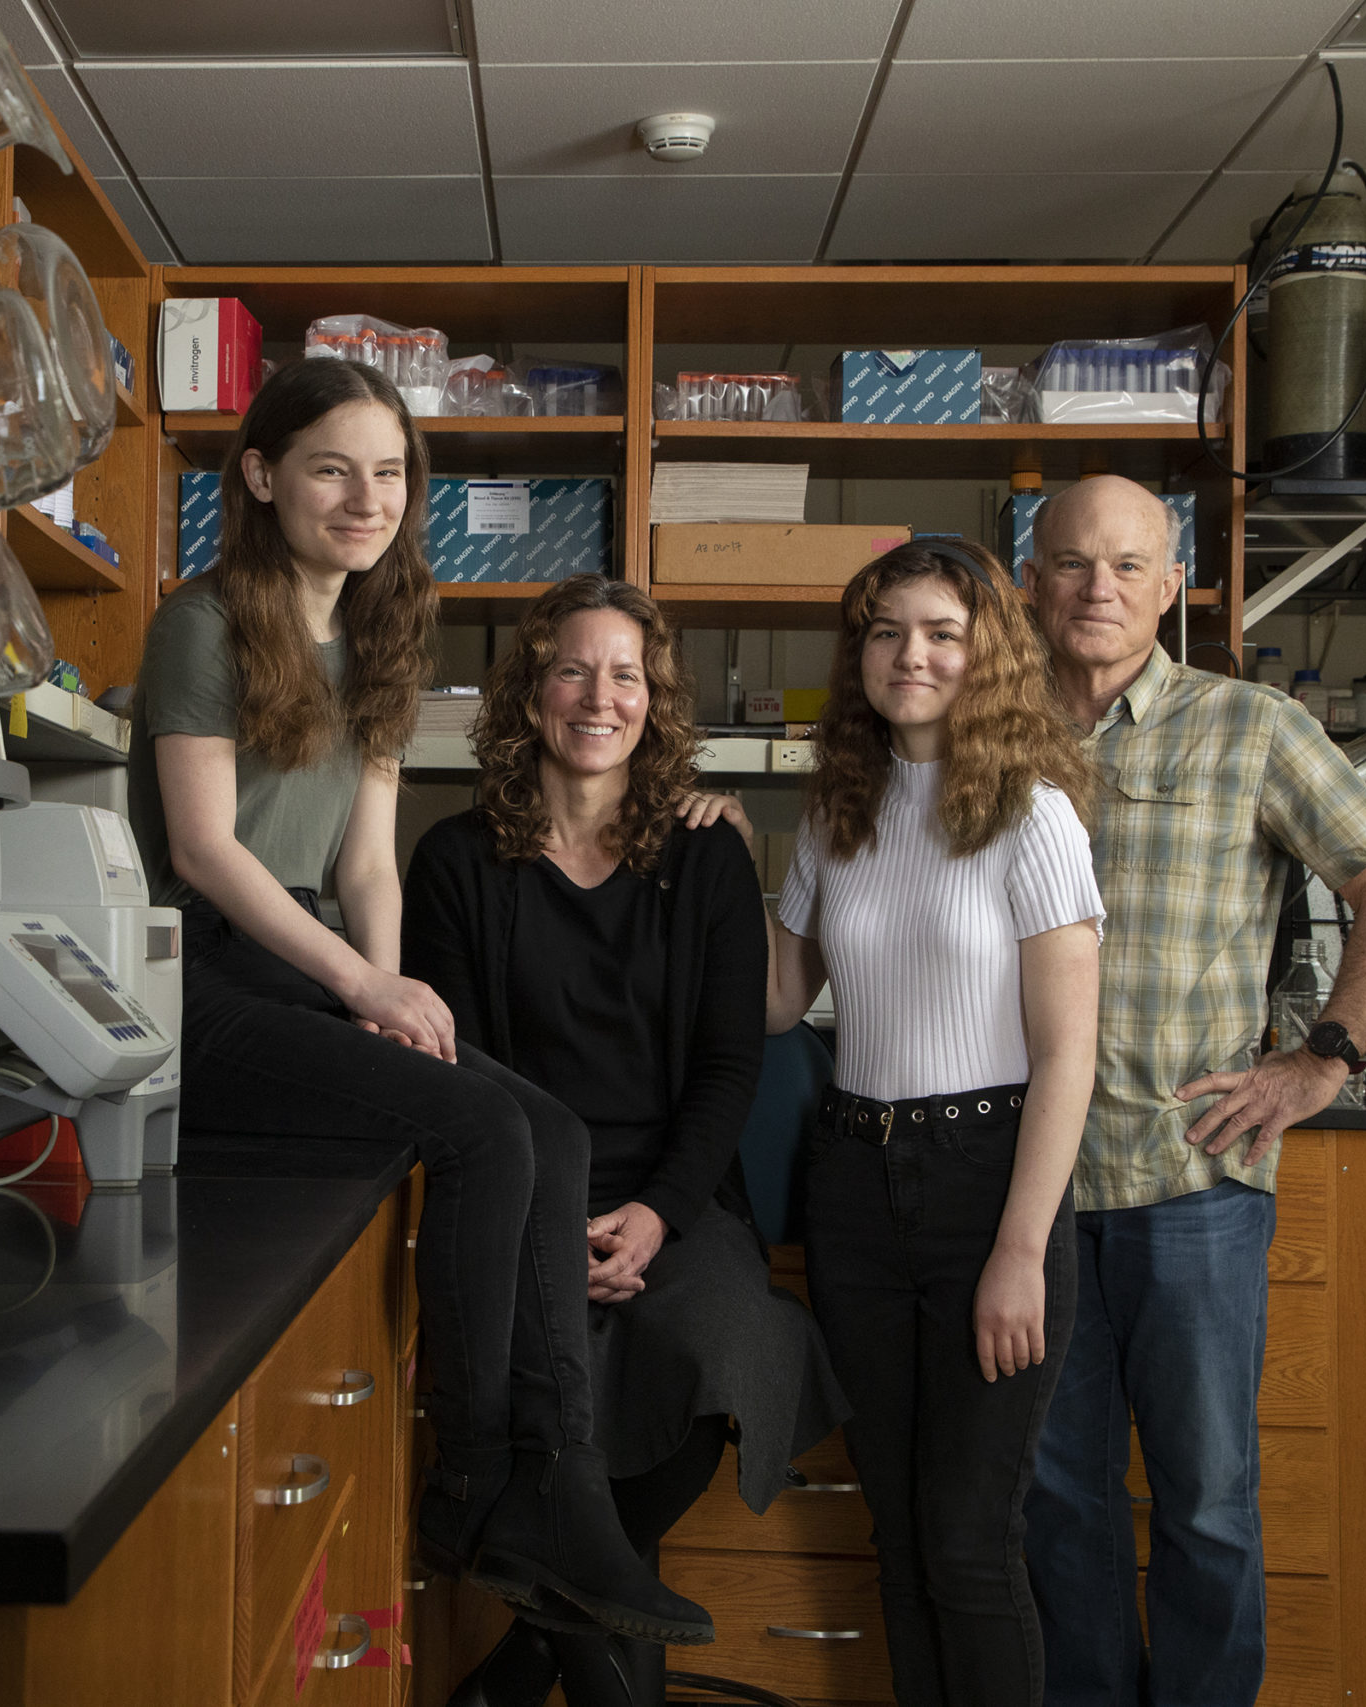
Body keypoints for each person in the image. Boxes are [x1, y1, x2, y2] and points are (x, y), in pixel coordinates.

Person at [123, 358, 711, 1647]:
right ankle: (472, 1480)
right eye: (331, 468)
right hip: (201, 969)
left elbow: (367, 862)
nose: (365, 497)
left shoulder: (381, 627)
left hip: (313, 954)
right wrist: (359, 981)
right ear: (263, 475)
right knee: (484, 1132)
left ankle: (553, 1490)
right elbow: (206, 849)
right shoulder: (203, 622)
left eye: (388, 472)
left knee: (542, 1131)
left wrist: (388, 992)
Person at [1019, 476, 1366, 1707]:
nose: (1099, 588)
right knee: (1058, 1503)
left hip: (1189, 1177)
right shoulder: (987, 733)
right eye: (1073, 563)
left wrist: (1325, 1056)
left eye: (1128, 565)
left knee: (1203, 1499)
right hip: (1026, 1190)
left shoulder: (1247, 725)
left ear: (1171, 585)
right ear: (1030, 579)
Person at [405, 576, 848, 1707]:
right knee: (547, 1408)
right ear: (528, 692)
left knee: (717, 1354)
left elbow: (727, 1068)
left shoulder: (702, 858)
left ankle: (530, 1628)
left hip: (677, 1193)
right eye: (571, 670)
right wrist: (553, 1218)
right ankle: (574, 1617)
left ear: (656, 699)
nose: (599, 698)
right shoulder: (456, 862)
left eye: (627, 675)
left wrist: (657, 1213)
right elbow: (458, 1070)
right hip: (512, 1194)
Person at [765, 539, 1106, 1707]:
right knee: (901, 1543)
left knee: (969, 1544)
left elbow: (1068, 1053)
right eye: (886, 631)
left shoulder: (1031, 813)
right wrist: (696, 845)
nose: (911, 655)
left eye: (942, 634)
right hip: (855, 1188)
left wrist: (1020, 1252)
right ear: (858, 651)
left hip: (985, 1188)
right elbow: (771, 996)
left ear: (986, 657)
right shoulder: (835, 814)